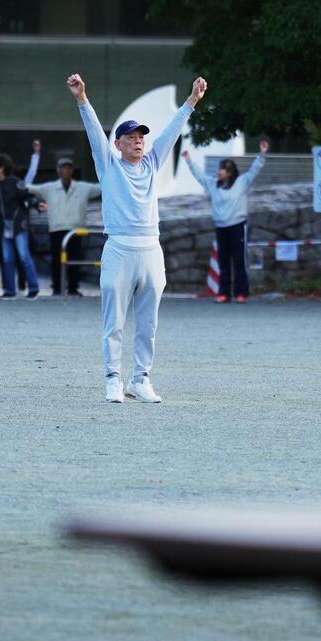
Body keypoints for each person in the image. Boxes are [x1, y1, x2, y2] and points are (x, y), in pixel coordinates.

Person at [68, 72, 207, 403]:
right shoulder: (108, 165)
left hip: (150, 248)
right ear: (118, 144)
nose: (138, 141)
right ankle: (113, 379)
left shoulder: (152, 163)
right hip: (119, 247)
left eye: (141, 136)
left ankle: (140, 379)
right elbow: (94, 133)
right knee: (113, 321)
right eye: (130, 137)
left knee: (148, 323)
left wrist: (191, 101)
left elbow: (171, 132)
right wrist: (82, 99)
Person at [182, 140, 269, 303]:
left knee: (239, 260)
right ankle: (224, 293)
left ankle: (241, 292)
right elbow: (199, 175)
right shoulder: (213, 185)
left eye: (222, 169)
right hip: (221, 227)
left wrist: (262, 154)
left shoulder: (241, 182)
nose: (219, 171)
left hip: (237, 226)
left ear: (229, 172)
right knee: (223, 261)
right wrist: (189, 161)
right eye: (219, 168)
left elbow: (254, 170)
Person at [26, 154, 102, 296]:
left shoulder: (83, 187)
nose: (66, 171)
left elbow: (102, 187)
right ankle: (57, 288)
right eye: (63, 168)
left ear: (72, 170)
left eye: (68, 168)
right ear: (58, 170)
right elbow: (30, 189)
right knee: (57, 260)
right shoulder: (49, 188)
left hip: (76, 230)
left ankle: (73, 288)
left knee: (75, 259)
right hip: (57, 229)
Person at [0, 139, 40, 295]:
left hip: (18, 225)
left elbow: (28, 196)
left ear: (1, 168)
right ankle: (9, 290)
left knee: (24, 257)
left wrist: (37, 204)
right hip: (4, 227)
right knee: (7, 258)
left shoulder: (15, 183)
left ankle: (34, 288)